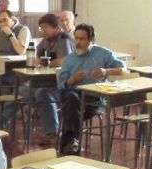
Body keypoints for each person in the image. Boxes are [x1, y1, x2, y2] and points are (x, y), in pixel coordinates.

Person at [57, 24, 124, 155]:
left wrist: (106, 71)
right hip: (74, 95)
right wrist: (72, 80)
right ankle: (72, 142)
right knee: (71, 98)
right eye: (76, 38)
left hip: (94, 97)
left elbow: (123, 69)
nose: (78, 42)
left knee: (71, 111)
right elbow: (60, 85)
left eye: (82, 39)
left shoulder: (102, 53)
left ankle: (70, 144)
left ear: (91, 40)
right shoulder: (69, 59)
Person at [31, 13, 74, 142]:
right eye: (41, 28)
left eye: (46, 27)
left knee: (43, 93)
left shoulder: (64, 39)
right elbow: (37, 57)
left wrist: (48, 62)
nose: (43, 30)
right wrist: (44, 61)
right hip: (49, 80)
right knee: (22, 91)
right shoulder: (46, 40)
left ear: (56, 28)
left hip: (65, 83)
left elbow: (64, 61)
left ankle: (52, 133)